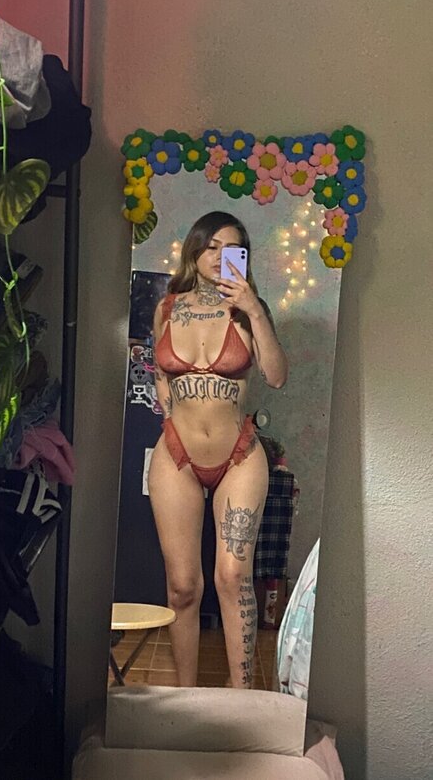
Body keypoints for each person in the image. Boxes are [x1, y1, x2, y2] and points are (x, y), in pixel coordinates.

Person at [148, 210, 288, 688]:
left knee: (232, 578)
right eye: (211, 246)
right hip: (177, 456)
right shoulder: (167, 308)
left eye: (231, 250)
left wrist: (254, 309)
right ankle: (186, 696)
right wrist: (173, 419)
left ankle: (241, 692)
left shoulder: (248, 311)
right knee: (182, 587)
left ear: (243, 259)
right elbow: (162, 374)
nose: (219, 256)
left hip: (238, 457)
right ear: (195, 249)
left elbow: (276, 376)